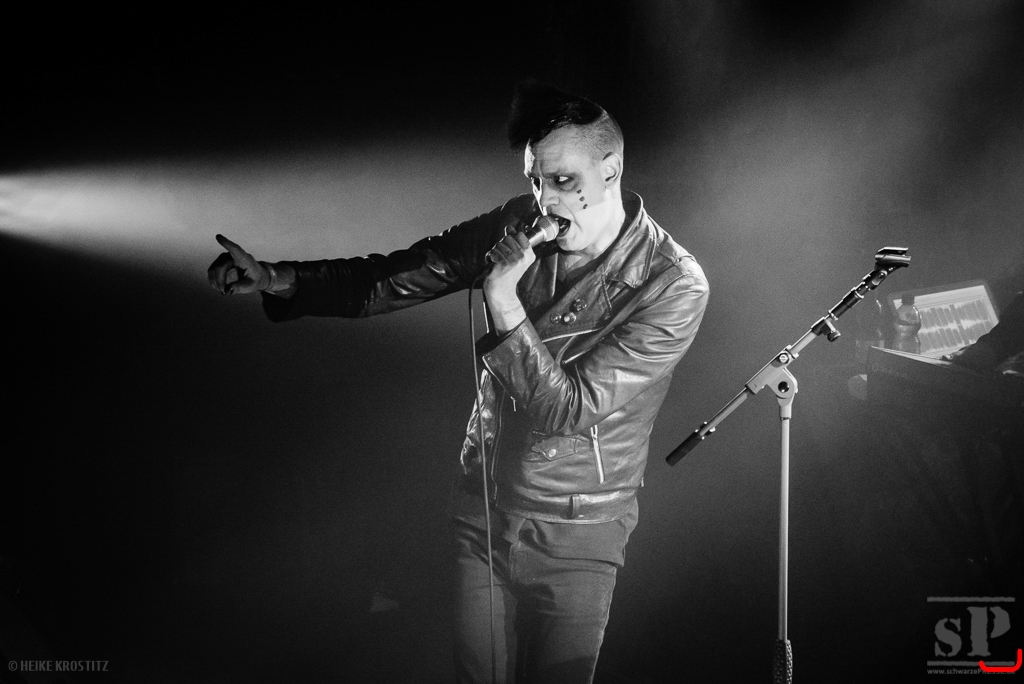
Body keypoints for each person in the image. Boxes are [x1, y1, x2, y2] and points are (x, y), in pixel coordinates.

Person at [207, 81, 709, 684]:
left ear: (611, 171)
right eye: (535, 181)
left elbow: (569, 410)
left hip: (577, 533)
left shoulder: (671, 285)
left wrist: (503, 298)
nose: (545, 201)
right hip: (484, 512)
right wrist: (278, 278)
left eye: (562, 181)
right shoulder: (518, 223)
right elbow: (400, 276)